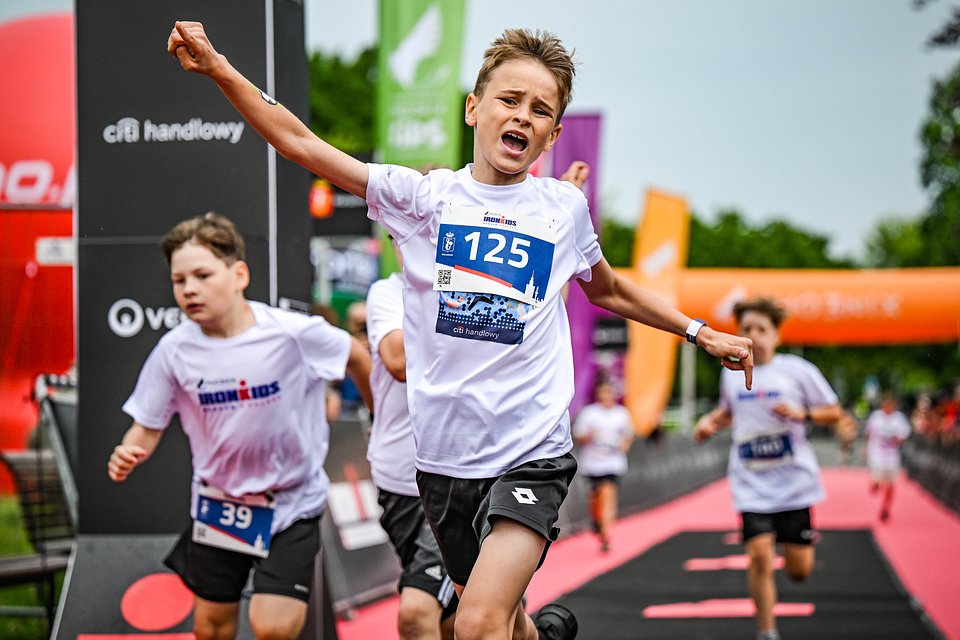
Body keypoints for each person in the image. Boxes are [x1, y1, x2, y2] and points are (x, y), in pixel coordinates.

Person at [167, 23, 754, 640]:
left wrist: (700, 332)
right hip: (444, 463)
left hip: (532, 452)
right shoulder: (423, 199)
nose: (522, 116)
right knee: (502, 620)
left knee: (475, 623)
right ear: (474, 109)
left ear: (552, 135)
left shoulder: (562, 209)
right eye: (509, 100)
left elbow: (606, 289)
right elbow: (299, 144)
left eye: (540, 110)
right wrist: (219, 68)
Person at [107, 212, 372, 640]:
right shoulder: (173, 351)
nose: (189, 289)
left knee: (273, 627)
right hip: (222, 504)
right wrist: (128, 450)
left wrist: (378, 415)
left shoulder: (291, 333)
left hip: (291, 504)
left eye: (202, 275)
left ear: (239, 275)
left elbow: (357, 357)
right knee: (211, 629)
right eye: (179, 280)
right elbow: (147, 425)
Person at [694, 297, 840, 640]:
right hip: (751, 482)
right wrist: (708, 422)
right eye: (747, 328)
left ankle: (795, 551)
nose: (754, 335)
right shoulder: (730, 373)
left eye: (762, 329)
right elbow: (728, 412)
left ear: (777, 335)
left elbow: (835, 412)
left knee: (799, 571)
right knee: (759, 556)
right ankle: (767, 631)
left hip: (793, 484)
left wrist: (803, 414)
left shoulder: (798, 371)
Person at [366, 243, 458, 640]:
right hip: (398, 480)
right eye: (403, 235)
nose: (415, 243)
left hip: (462, 479)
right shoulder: (387, 293)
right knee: (453, 618)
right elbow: (399, 362)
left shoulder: (478, 291)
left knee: (417, 613)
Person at [572, 380, 634, 553]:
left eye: (609, 392)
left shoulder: (621, 414)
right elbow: (579, 435)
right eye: (603, 392)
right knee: (596, 497)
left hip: (613, 463)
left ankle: (606, 535)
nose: (607, 396)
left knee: (609, 494)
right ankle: (597, 521)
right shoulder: (589, 413)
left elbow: (628, 435)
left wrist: (624, 445)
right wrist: (590, 435)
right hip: (593, 464)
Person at [864, 392, 911, 522]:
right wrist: (864, 449)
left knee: (890, 484)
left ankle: (885, 507)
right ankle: (875, 485)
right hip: (876, 454)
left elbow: (904, 435)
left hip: (892, 456)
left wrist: (897, 439)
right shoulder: (876, 417)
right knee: (877, 481)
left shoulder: (899, 418)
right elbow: (868, 433)